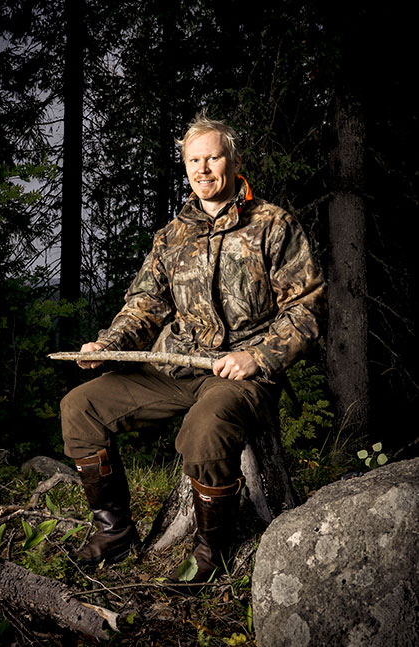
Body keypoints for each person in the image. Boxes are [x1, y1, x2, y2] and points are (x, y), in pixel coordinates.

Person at [60, 112, 326, 584]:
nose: (203, 170)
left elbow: (306, 309)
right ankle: (114, 531)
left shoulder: (273, 225)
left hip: (242, 374)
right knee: (80, 406)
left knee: (207, 426)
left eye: (213, 158)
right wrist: (109, 344)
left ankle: (209, 549)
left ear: (234, 160)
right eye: (193, 160)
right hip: (175, 367)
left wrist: (258, 357)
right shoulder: (173, 235)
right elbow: (144, 304)